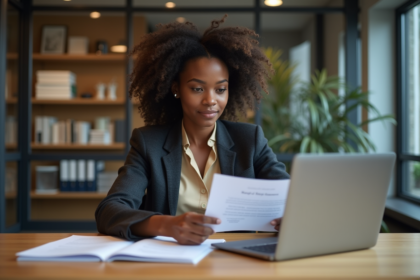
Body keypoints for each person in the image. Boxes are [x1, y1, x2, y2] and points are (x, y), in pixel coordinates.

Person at [95, 15, 290, 245]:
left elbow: (291, 198)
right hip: (171, 258)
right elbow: (109, 211)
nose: (210, 100)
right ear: (176, 88)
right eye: (197, 88)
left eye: (220, 89)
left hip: (237, 261)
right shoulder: (149, 143)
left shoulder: (250, 140)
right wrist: (167, 225)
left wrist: (289, 216)